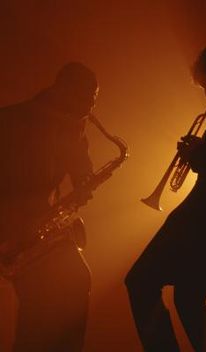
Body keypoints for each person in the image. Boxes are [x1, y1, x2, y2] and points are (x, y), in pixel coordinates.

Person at [125, 39, 206, 351]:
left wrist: (193, 154)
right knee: (189, 295)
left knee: (141, 282)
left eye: (204, 84)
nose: (205, 93)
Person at [0, 61, 99, 351]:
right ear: (63, 90)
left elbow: (81, 169)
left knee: (77, 282)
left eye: (94, 100)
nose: (90, 108)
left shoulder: (72, 127)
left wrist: (84, 184)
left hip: (39, 221)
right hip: (11, 222)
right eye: (87, 98)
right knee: (38, 303)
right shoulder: (13, 120)